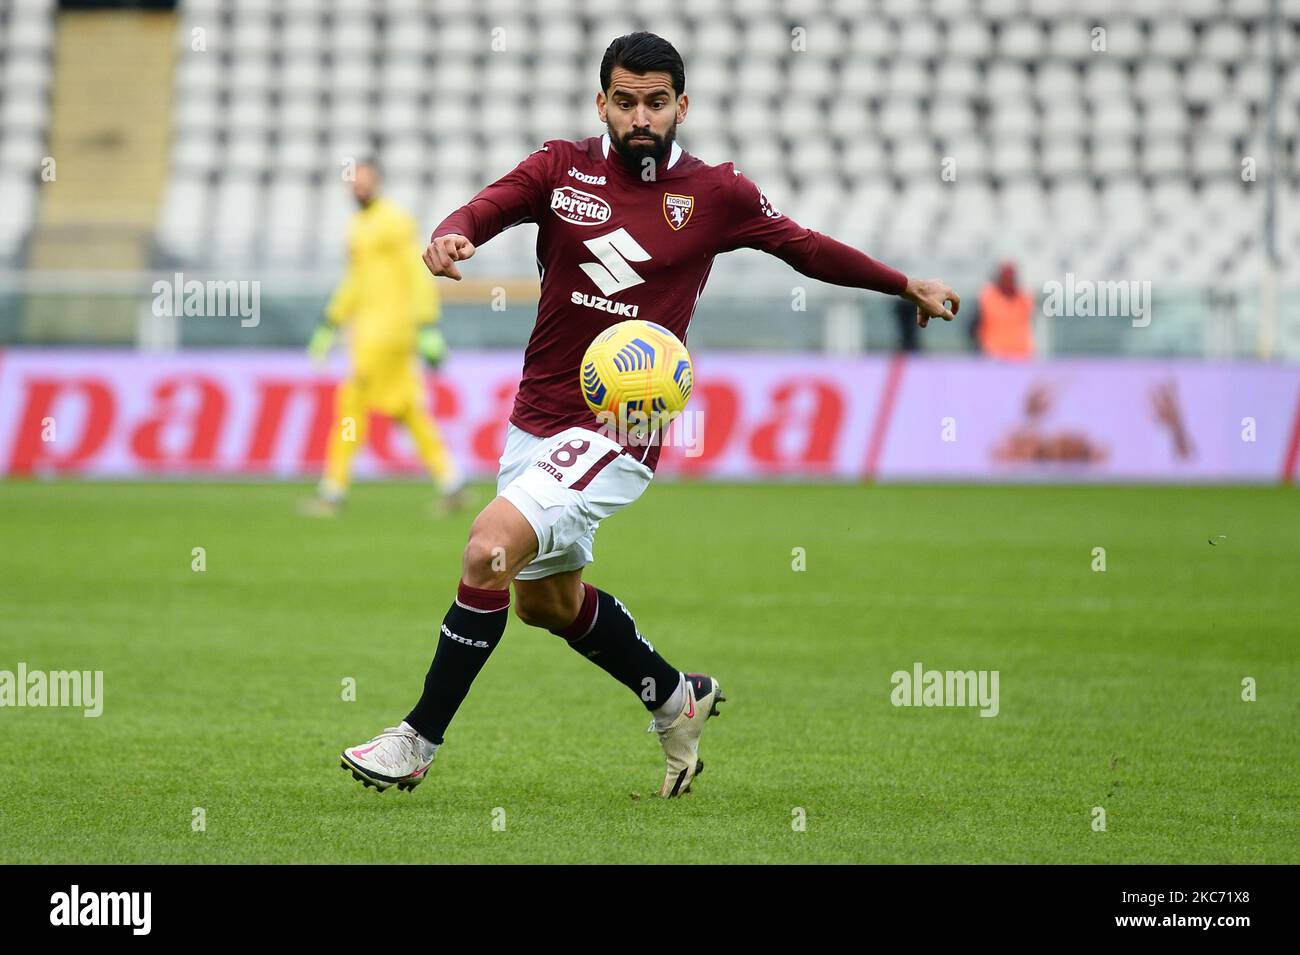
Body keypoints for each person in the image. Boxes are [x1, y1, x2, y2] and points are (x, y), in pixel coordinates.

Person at [340, 33, 959, 798]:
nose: (641, 116)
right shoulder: (558, 169)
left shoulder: (715, 194)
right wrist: (452, 232)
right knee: (545, 603)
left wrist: (904, 284)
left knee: (484, 549)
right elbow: (489, 205)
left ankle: (416, 738)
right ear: (602, 102)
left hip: (621, 427)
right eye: (625, 101)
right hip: (537, 418)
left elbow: (804, 248)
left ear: (681, 107)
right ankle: (674, 693)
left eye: (656, 102)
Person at [302, 160, 466, 516]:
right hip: (376, 334)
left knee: (351, 406)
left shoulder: (393, 220)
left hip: (383, 334)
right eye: (353, 182)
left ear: (377, 182)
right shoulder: (358, 226)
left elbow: (415, 270)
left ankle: (332, 492)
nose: (358, 188)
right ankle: (452, 482)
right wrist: (330, 322)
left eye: (364, 181)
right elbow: (355, 282)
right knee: (408, 410)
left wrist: (427, 325)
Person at [973, 261, 1034, 359]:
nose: (1008, 281)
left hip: (1021, 355)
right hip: (994, 356)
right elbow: (975, 327)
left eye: (1010, 278)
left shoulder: (1024, 298)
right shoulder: (987, 297)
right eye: (1005, 278)